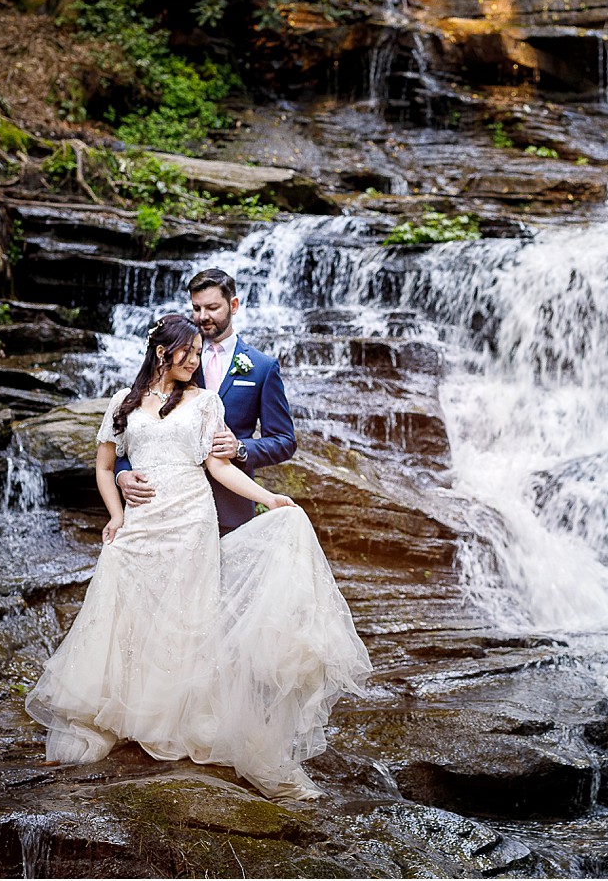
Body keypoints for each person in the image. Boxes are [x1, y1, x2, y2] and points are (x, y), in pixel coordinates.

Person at [25, 314, 370, 801]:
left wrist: (269, 499)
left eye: (195, 354)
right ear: (161, 352)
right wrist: (116, 514)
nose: (192, 362)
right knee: (128, 613)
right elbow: (105, 468)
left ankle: (180, 719)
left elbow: (218, 467)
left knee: (188, 618)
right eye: (184, 354)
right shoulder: (122, 404)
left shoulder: (205, 402)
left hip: (191, 521)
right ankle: (127, 714)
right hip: (142, 525)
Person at [116, 268, 297, 533]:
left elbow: (285, 441)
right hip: (165, 506)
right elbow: (133, 422)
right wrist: (123, 474)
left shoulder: (262, 367)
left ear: (233, 305)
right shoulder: (173, 358)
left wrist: (241, 448)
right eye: (197, 308)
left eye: (212, 308)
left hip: (230, 507)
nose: (203, 317)